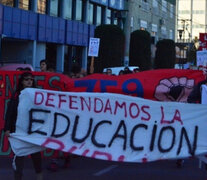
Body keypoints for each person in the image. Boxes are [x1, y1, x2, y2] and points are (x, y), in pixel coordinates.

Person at [4, 72, 43, 180]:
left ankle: (39, 177)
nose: (29, 81)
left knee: (36, 156)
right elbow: (10, 113)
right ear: (22, 81)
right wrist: (7, 129)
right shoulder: (17, 95)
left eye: (31, 79)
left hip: (33, 132)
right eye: (26, 79)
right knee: (19, 156)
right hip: (19, 132)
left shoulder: (37, 95)